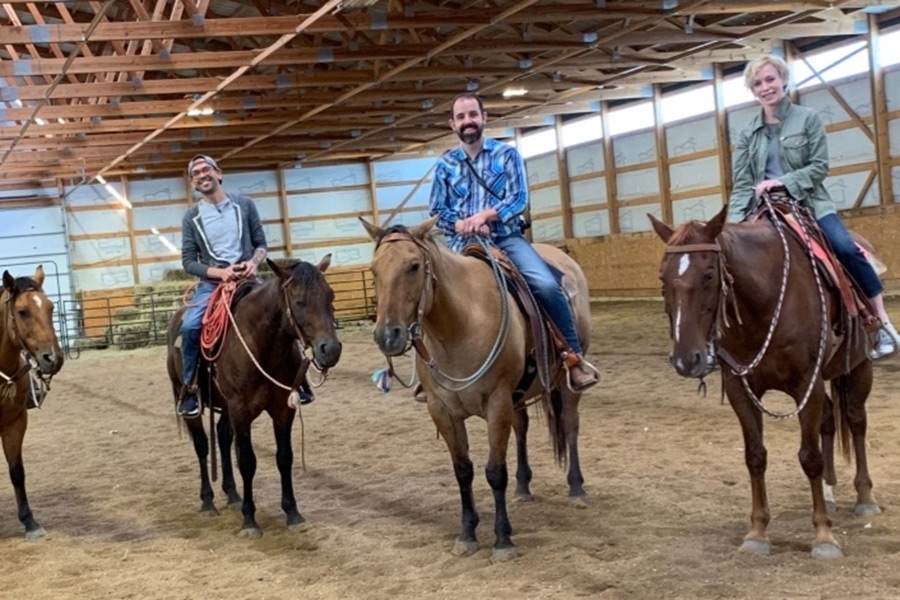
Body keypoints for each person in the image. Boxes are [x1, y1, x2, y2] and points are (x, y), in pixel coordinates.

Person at [728, 54, 900, 359]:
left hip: (809, 203)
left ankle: (881, 322)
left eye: (770, 79)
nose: (765, 87)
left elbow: (819, 166)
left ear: (782, 80)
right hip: (763, 207)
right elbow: (742, 183)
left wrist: (782, 182)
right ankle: (725, 339)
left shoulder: (807, 118)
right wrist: (733, 223)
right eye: (757, 83)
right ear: (752, 90)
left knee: (844, 248)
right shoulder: (746, 133)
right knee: (727, 261)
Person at [426, 92, 599, 393]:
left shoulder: (506, 155)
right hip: (460, 244)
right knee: (429, 293)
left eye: (473, 115)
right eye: (462, 117)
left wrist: (486, 216)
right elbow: (438, 210)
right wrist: (458, 223)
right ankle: (429, 372)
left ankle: (572, 356)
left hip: (505, 238)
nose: (468, 121)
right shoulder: (445, 165)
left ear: (484, 118)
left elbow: (519, 199)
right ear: (452, 124)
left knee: (545, 284)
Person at [178, 155, 268, 417]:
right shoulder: (191, 218)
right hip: (212, 285)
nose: (202, 175)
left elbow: (261, 244)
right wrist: (220, 272)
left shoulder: (245, 205)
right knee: (190, 326)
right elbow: (187, 262)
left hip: (248, 279)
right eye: (196, 173)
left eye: (206, 169)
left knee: (282, 310)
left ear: (219, 173)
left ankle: (300, 380)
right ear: (194, 182)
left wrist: (253, 262)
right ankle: (190, 388)